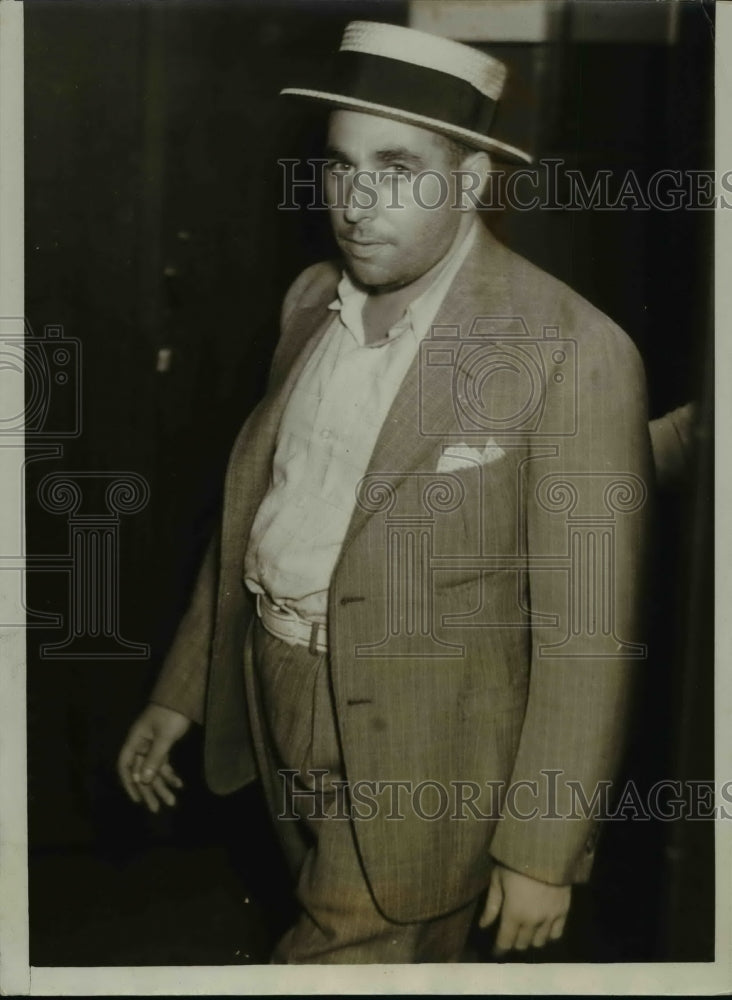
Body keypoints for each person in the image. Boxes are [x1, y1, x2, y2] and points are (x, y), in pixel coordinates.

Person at [118, 21, 652, 963]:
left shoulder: (572, 351)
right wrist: (184, 692)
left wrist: (542, 847)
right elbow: (262, 510)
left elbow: (588, 636)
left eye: (398, 168)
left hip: (433, 754)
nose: (355, 203)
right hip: (277, 695)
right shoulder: (310, 299)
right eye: (338, 166)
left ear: (476, 180)